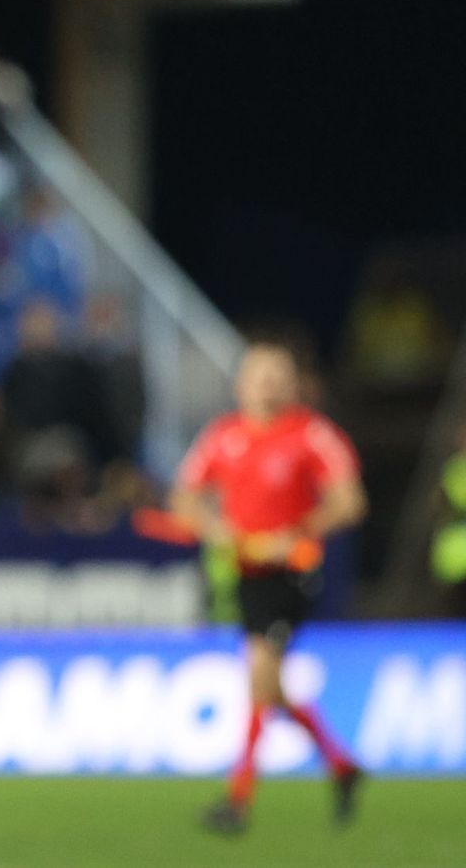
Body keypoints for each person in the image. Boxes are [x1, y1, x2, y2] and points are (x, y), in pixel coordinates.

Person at [169, 337, 367, 835]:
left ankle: (238, 800)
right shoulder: (222, 436)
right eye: (259, 373)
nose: (268, 384)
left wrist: (295, 535)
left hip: (292, 573)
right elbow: (184, 499)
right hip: (246, 575)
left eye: (278, 374)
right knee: (269, 686)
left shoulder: (313, 435)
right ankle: (342, 767)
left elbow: (350, 502)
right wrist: (219, 532)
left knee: (259, 672)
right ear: (241, 383)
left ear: (294, 383)